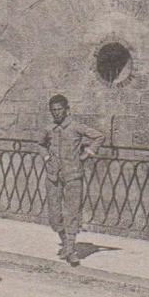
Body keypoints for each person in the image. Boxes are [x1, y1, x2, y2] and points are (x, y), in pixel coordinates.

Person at [41, 94, 104, 265]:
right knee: (54, 215)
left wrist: (87, 154)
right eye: (53, 110)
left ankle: (70, 249)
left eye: (60, 109)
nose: (57, 113)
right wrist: (46, 157)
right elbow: (40, 144)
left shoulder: (76, 127)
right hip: (53, 176)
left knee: (72, 212)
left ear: (67, 109)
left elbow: (99, 136)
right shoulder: (49, 129)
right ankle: (65, 242)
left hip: (73, 175)